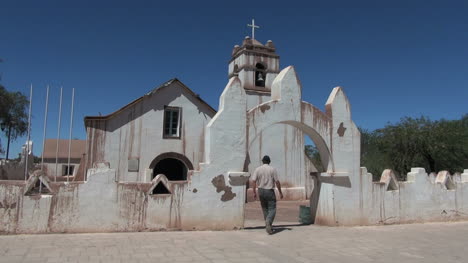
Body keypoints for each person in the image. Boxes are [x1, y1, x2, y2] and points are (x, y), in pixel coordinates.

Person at [250, 155, 283, 234]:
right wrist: (280, 192)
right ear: (269, 161)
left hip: (261, 191)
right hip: (269, 191)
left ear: (262, 161)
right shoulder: (272, 169)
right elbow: (277, 182)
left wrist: (254, 192)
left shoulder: (258, 169)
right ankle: (268, 221)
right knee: (272, 208)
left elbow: (253, 181)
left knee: (265, 208)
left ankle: (268, 225)